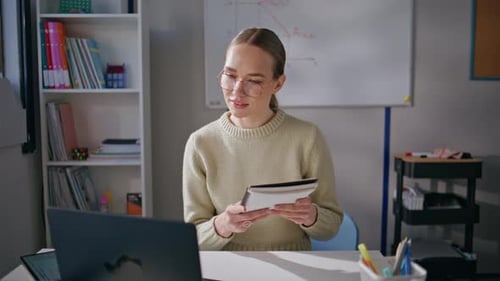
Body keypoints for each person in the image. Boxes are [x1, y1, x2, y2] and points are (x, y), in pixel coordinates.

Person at [183, 27, 343, 251]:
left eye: (253, 81)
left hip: (294, 265)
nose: (237, 92)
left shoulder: (307, 138)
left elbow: (331, 226)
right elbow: (193, 236)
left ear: (278, 84)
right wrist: (221, 225)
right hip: (225, 268)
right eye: (230, 76)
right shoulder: (200, 143)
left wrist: (311, 216)